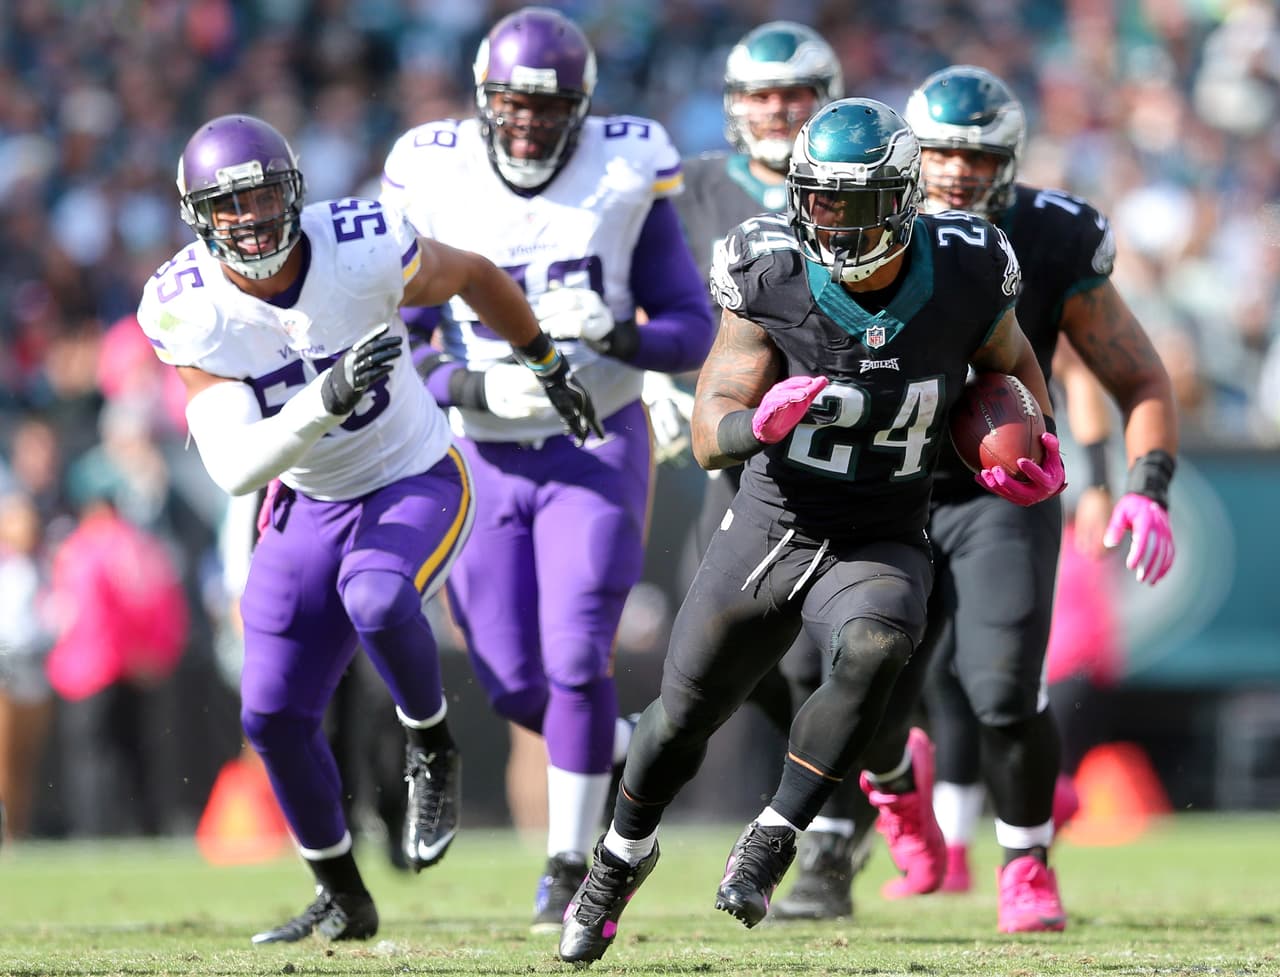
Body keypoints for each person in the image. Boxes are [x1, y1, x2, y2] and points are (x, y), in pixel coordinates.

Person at [558, 96, 1065, 965]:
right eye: (816, 197)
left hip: (883, 529)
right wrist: (751, 424)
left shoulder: (970, 265)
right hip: (775, 521)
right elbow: (711, 419)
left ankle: (776, 834)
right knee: (681, 717)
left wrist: (1034, 442)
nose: (827, 217)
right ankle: (618, 859)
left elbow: (1011, 364)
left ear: (900, 200)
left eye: (849, 201)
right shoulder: (771, 268)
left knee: (877, 643)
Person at [136, 113, 599, 944]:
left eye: (263, 195)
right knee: (271, 714)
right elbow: (237, 466)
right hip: (308, 503)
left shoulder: (361, 245)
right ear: (197, 216)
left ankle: (432, 746)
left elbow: (473, 273)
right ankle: (342, 894)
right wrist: (326, 397)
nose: (250, 217)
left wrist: (544, 359)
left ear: (294, 191)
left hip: (412, 473)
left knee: (378, 596)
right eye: (228, 204)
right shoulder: (189, 307)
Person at [775, 65, 1179, 934]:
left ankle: (1026, 864)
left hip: (1003, 490)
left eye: (980, 155)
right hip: (887, 491)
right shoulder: (852, 226)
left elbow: (1140, 376)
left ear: (1012, 160)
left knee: (1003, 686)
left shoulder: (1053, 235)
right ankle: (900, 792)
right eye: (944, 154)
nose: (959, 171)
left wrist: (1147, 486)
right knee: (862, 694)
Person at [380, 7, 714, 933]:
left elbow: (691, 324)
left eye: (549, 105)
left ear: (582, 107)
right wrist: (461, 380)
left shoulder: (624, 169)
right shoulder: (434, 172)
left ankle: (569, 864)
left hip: (592, 439)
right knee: (509, 680)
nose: (528, 122)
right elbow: (396, 333)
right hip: (478, 452)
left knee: (575, 658)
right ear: (482, 100)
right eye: (512, 103)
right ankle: (626, 750)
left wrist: (620, 334)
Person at [673, 20, 849, 747]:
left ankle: (858, 785)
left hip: (836, 433)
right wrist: (660, 379)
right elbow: (656, 299)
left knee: (816, 653)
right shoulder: (692, 188)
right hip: (738, 438)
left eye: (794, 93)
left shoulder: (858, 183)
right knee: (722, 643)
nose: (776, 109)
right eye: (759, 94)